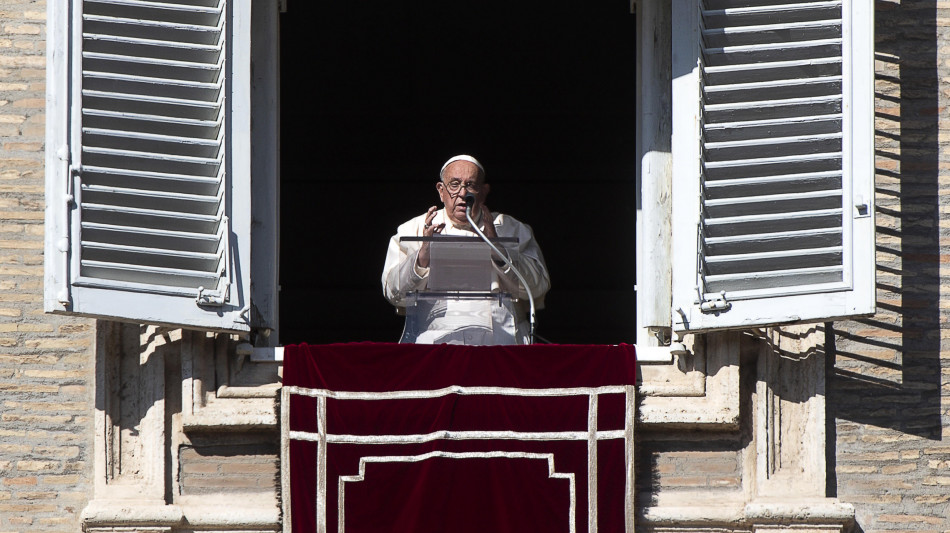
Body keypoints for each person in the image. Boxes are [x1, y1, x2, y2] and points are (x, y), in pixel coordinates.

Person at [382, 155, 551, 345]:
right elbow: (393, 294)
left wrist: (498, 249)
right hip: (435, 345)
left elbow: (537, 287)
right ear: (441, 190)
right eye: (454, 185)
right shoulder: (412, 230)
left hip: (500, 345)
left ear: (484, 191)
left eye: (471, 185)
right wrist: (422, 257)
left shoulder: (512, 229)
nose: (463, 193)